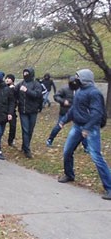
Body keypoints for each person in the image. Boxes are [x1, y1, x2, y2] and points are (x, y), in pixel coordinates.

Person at [57, 69, 111, 200]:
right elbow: (74, 109)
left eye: (78, 77)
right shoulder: (79, 91)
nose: (75, 79)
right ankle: (69, 175)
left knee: (96, 157)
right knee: (67, 151)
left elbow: (97, 113)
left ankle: (109, 187)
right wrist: (63, 120)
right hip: (77, 126)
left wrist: (87, 128)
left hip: (90, 129)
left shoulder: (94, 93)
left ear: (84, 78)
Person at [15, 68, 43, 158]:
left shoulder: (36, 84)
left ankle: (25, 145)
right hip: (23, 111)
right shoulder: (20, 84)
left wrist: (27, 91)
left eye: (27, 73)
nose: (25, 74)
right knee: (25, 129)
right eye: (24, 73)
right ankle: (27, 150)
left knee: (30, 130)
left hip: (33, 110)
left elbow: (37, 95)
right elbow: (14, 93)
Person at [46, 76, 80, 147]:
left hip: (76, 112)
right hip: (65, 111)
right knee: (59, 126)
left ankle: (86, 146)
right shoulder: (64, 89)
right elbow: (56, 96)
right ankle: (50, 139)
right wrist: (63, 101)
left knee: (80, 128)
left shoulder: (79, 90)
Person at [4, 74, 17, 146]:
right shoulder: (4, 87)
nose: (7, 79)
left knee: (13, 126)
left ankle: (11, 140)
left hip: (12, 110)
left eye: (9, 78)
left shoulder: (15, 88)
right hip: (3, 110)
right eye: (6, 78)